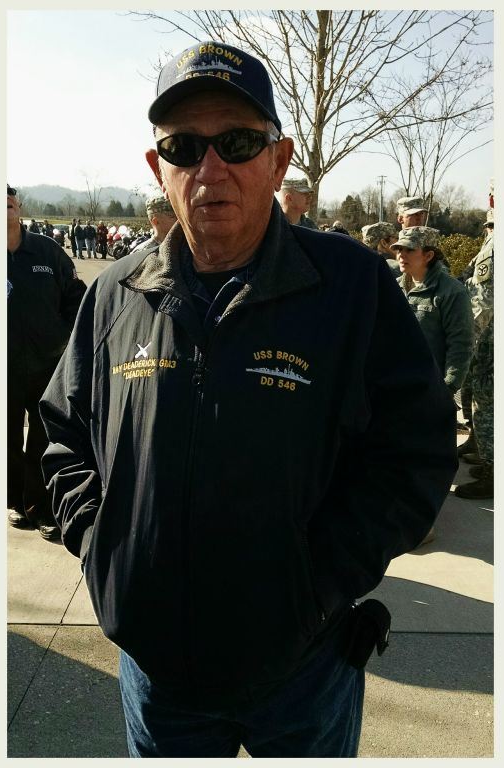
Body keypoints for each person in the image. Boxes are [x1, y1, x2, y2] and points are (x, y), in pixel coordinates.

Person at [40, 41, 457, 758]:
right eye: (184, 147)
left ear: (278, 159)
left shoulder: (352, 287)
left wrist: (318, 586)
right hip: (156, 676)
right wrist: (106, 555)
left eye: (236, 142)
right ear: (158, 167)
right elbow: (63, 435)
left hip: (303, 672)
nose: (211, 169)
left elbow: (414, 451)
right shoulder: (114, 295)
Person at [7, 184, 87, 540]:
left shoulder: (47, 251)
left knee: (43, 439)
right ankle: (15, 501)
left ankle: (41, 508)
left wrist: (64, 338)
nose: (5, 210)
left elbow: (76, 298)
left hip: (47, 368)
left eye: (9, 204)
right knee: (7, 439)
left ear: (19, 208)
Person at [392, 226, 474, 396]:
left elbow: (460, 343)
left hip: (430, 389)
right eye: (399, 249)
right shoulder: (394, 287)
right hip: (396, 384)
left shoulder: (451, 291)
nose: (401, 255)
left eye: (409, 249)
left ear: (428, 256)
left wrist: (449, 386)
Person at [454, 209, 494, 498]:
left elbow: (484, 299)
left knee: (487, 398)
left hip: (490, 335)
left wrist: (468, 340)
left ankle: (493, 473)